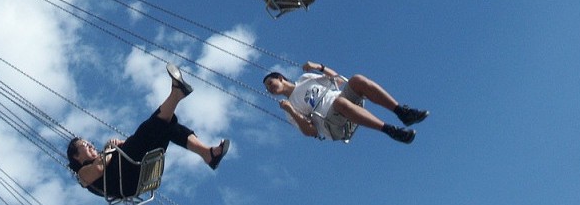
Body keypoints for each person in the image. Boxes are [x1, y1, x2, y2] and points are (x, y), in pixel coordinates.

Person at [67, 63, 230, 199]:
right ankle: (176, 94)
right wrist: (110, 149)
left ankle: (208, 154)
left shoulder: (103, 156)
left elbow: (111, 158)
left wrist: (120, 145)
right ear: (76, 156)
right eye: (86, 146)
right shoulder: (82, 175)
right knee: (148, 129)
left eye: (90, 143)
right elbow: (98, 169)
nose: (91, 146)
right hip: (126, 180)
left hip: (134, 166)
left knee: (167, 126)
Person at [263, 62, 428, 144]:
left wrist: (318, 66)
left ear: (280, 78)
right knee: (340, 103)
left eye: (270, 83)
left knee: (357, 79)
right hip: (331, 123)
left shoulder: (305, 79)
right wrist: (292, 110)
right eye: (267, 89)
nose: (270, 89)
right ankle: (390, 130)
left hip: (339, 99)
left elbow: (337, 80)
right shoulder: (289, 107)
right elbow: (311, 132)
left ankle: (401, 112)